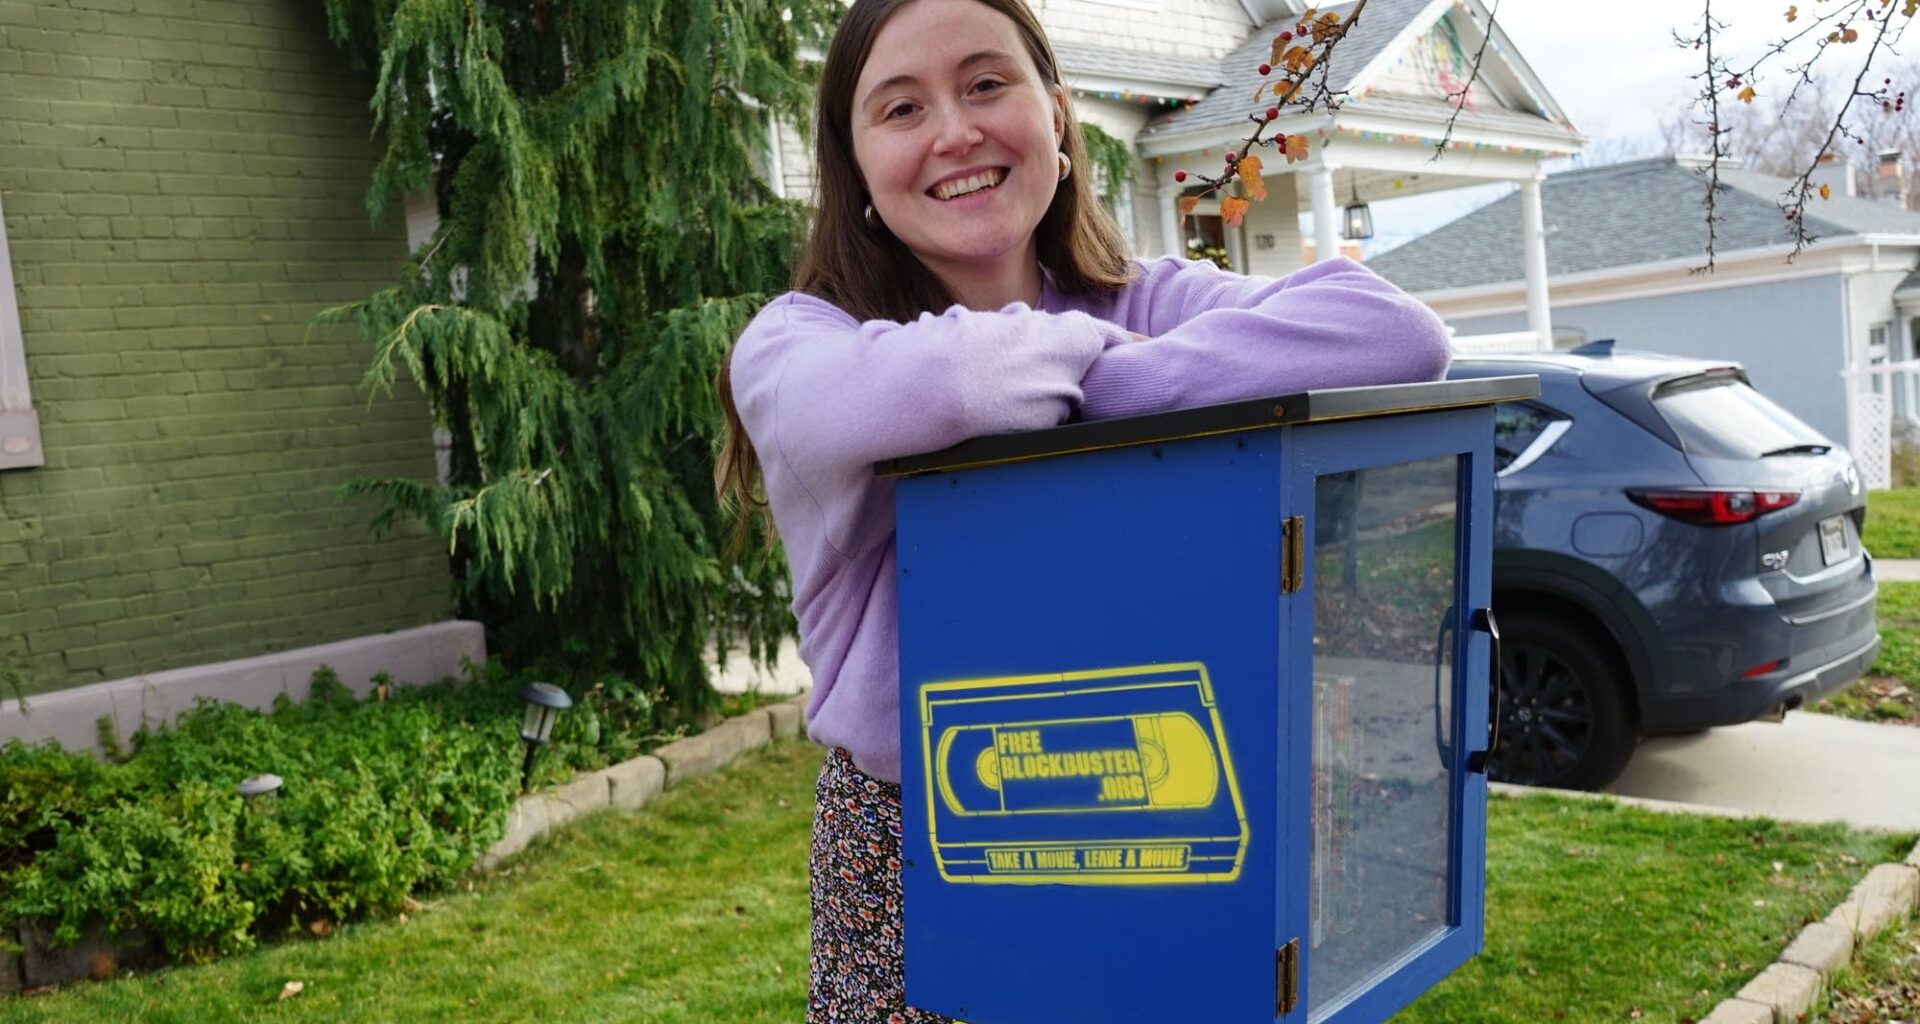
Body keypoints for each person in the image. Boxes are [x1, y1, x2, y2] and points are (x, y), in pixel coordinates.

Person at [715, 0, 1452, 1019]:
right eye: (900, 107)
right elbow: (954, 388)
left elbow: (1393, 333)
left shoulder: (1141, 301)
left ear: (1057, 116)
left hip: (1167, 801)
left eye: (986, 83)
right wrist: (1146, 385)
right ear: (856, 169)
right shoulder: (797, 347)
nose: (955, 130)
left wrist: (1085, 386)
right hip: (922, 851)